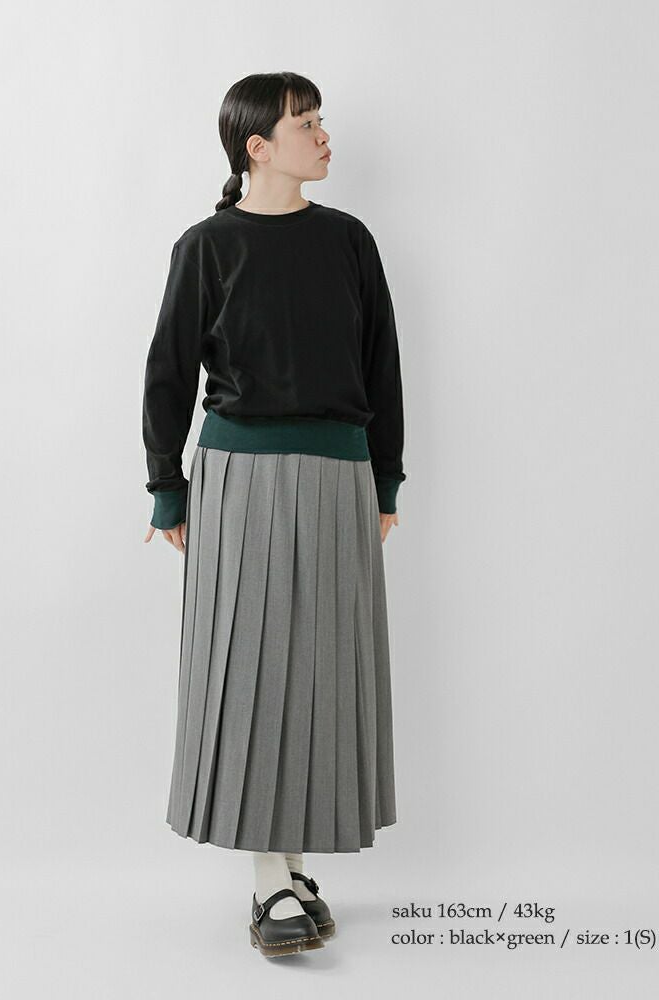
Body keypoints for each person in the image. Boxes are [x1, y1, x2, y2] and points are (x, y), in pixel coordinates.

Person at [142, 71, 406, 958]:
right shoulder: (207, 246)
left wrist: (385, 482)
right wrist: (166, 487)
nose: (324, 136)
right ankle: (268, 882)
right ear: (258, 146)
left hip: (340, 475)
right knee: (251, 669)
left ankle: (288, 869)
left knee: (321, 670)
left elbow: (381, 363)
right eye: (306, 123)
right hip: (239, 478)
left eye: (322, 120)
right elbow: (168, 371)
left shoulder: (349, 241)